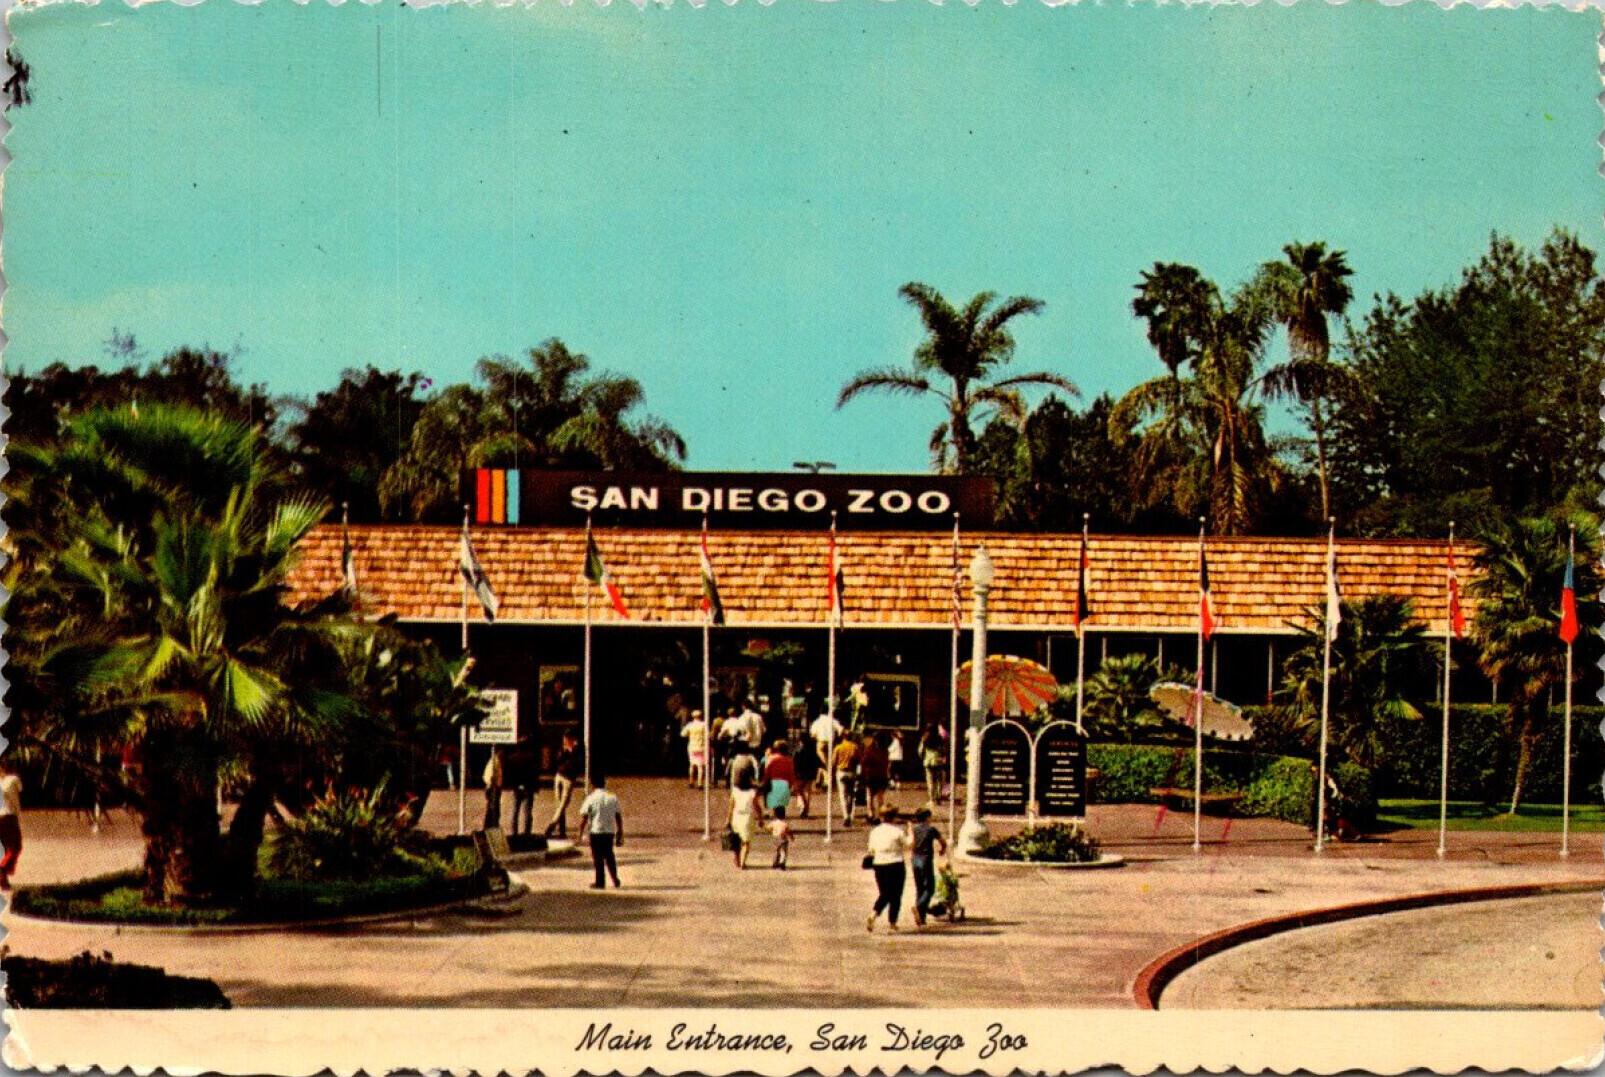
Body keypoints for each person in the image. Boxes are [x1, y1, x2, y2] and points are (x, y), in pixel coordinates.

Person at [865, 807, 910, 933]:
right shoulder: (897, 831)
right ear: (894, 817)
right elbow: (909, 844)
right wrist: (911, 831)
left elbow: (871, 850)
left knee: (885, 893)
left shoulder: (874, 832)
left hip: (879, 864)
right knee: (896, 895)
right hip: (895, 863)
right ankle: (892, 922)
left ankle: (874, 913)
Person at [578, 774, 624, 889]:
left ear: (593, 784)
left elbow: (584, 817)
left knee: (598, 857)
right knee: (610, 856)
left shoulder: (591, 798)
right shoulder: (612, 796)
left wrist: (580, 833)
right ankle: (615, 878)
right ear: (605, 783)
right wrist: (620, 831)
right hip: (609, 831)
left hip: (596, 831)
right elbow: (618, 815)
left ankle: (600, 881)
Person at [909, 807, 948, 926]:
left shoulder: (914, 830)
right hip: (926, 859)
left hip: (915, 859)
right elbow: (942, 841)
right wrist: (942, 850)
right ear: (926, 817)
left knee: (919, 888)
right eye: (930, 816)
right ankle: (918, 907)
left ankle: (921, 917)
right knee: (930, 888)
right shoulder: (931, 829)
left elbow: (911, 843)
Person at [545, 732, 581, 839]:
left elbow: (577, 764)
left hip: (569, 779)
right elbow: (556, 761)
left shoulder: (577, 750)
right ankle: (562, 830)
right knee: (558, 804)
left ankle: (551, 826)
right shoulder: (563, 749)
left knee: (562, 805)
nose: (564, 742)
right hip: (559, 776)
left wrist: (572, 752)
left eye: (566, 740)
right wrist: (563, 752)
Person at [727, 771, 763, 870]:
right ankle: (743, 862)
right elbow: (757, 808)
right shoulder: (752, 793)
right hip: (747, 817)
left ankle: (736, 859)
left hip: (736, 816)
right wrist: (760, 819)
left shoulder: (735, 792)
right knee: (746, 841)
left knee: (735, 840)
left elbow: (731, 807)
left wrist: (728, 819)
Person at [508, 737, 539, 837]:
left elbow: (510, 774)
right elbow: (534, 774)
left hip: (516, 788)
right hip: (528, 787)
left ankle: (514, 832)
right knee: (527, 812)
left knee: (515, 811)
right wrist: (536, 787)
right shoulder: (532, 758)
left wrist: (513, 785)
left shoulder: (512, 758)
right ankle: (526, 833)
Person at [857, 732, 892, 820]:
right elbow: (887, 763)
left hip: (870, 776)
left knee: (869, 796)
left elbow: (863, 763)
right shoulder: (885, 751)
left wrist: (861, 775)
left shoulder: (869, 750)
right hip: (881, 776)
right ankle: (881, 813)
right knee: (880, 797)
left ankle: (870, 813)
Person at [0, 761, 23, 891]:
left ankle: (4, 880)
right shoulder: (13, 779)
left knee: (4, 849)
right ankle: (2, 869)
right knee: (16, 847)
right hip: (9, 817)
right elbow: (20, 788)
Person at [809, 711, 845, 789]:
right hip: (831, 743)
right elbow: (841, 729)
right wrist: (838, 736)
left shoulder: (817, 721)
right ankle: (822, 778)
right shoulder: (833, 720)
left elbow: (812, 734)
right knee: (829, 760)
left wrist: (816, 737)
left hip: (821, 741)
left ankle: (827, 777)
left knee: (822, 759)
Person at [832, 733, 860, 826]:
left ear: (843, 737)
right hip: (852, 772)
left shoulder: (838, 747)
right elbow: (859, 759)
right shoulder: (855, 747)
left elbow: (833, 762)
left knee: (843, 795)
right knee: (851, 795)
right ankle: (850, 814)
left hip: (841, 772)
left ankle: (845, 816)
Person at [762, 740, 795, 817]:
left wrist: (765, 782)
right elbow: (791, 774)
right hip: (784, 784)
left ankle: (768, 812)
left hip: (773, 783)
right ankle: (781, 822)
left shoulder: (771, 759)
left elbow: (767, 772)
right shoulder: (789, 760)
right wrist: (791, 785)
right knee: (781, 806)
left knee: (774, 804)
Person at [918, 724, 947, 808]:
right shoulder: (940, 738)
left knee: (930, 781)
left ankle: (932, 799)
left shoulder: (924, 738)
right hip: (938, 760)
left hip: (928, 761)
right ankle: (938, 799)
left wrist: (923, 757)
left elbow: (920, 750)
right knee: (938, 781)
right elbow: (943, 749)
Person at [790, 740, 819, 818]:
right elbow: (817, 763)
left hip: (799, 775)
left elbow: (793, 763)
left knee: (798, 791)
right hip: (810, 775)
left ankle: (802, 806)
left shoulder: (797, 752)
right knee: (807, 792)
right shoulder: (812, 752)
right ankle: (806, 810)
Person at [681, 709, 709, 788]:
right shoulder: (703, 725)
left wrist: (689, 735)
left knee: (692, 764)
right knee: (700, 765)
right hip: (701, 746)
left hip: (692, 746)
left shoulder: (690, 725)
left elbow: (683, 734)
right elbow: (707, 735)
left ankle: (691, 781)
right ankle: (700, 783)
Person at [481, 746, 505, 831]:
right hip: (493, 788)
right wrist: (493, 787)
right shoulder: (495, 762)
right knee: (493, 809)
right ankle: (491, 826)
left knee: (493, 808)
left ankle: (491, 826)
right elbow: (491, 776)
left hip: (493, 787)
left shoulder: (494, 761)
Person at [767, 805, 793, 870]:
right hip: (783, 838)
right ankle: (782, 863)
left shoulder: (773, 823)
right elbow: (789, 831)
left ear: (775, 814)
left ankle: (775, 863)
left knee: (776, 851)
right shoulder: (785, 824)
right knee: (784, 851)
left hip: (775, 838)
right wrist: (791, 837)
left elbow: (768, 828)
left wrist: (763, 826)